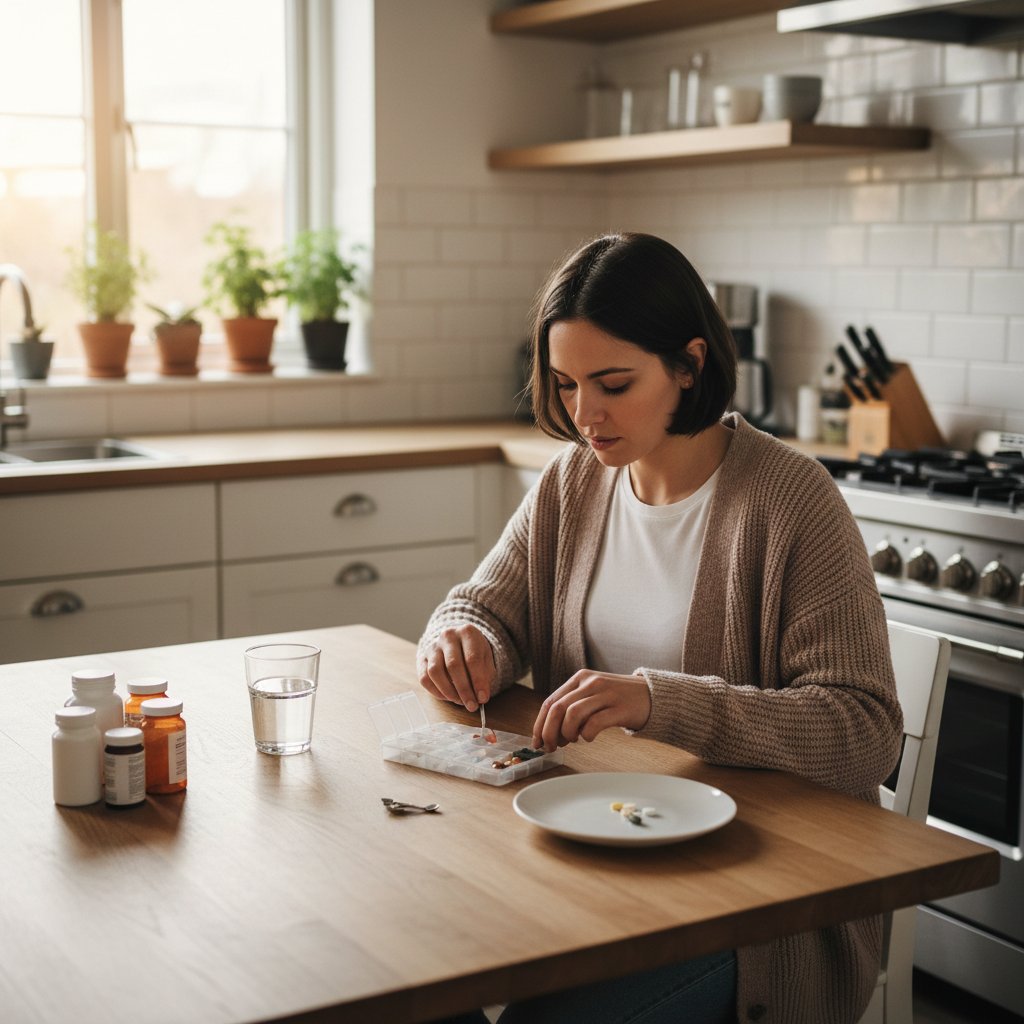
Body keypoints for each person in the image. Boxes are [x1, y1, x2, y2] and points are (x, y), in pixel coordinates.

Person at [417, 232, 903, 1024]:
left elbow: (864, 730)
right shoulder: (576, 480)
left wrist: (656, 702)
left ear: (690, 364)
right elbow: (481, 606)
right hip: (593, 863)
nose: (586, 415)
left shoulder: (791, 502)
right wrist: (461, 638)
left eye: (613, 383)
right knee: (407, 981)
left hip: (758, 910)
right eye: (568, 384)